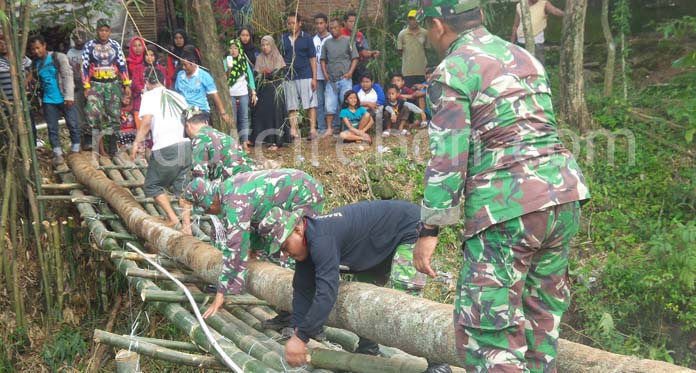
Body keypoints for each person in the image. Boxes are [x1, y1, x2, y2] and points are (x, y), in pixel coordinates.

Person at [415, 2, 590, 372]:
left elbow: (448, 157)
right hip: (562, 196)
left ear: (437, 26)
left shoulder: (453, 70)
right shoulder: (523, 57)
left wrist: (430, 228)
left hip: (506, 208)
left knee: (489, 335)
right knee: (541, 323)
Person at [259, 200, 450, 373]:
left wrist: (301, 338)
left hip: (407, 228)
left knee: (404, 302)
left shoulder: (321, 239)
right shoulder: (308, 243)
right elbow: (302, 289)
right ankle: (368, 349)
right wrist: (297, 329)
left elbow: (327, 292)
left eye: (285, 247)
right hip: (374, 244)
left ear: (298, 231)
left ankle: (437, 363)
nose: (285, 254)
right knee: (365, 298)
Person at [182, 169, 325, 317]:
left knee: (299, 249)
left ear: (211, 206)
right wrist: (253, 248)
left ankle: (308, 315)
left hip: (305, 194)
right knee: (277, 247)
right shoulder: (227, 190)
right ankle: (288, 312)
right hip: (294, 192)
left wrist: (221, 293)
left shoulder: (234, 203)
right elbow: (253, 225)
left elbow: (235, 248)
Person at [179, 107, 255, 235]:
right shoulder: (224, 136)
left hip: (234, 190)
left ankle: (186, 229)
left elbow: (199, 179)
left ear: (188, 126)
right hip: (252, 183)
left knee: (186, 195)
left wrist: (188, 200)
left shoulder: (200, 139)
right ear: (206, 122)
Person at [131, 67, 190, 227]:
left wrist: (137, 142)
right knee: (182, 188)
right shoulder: (178, 96)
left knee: (152, 185)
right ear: (164, 81)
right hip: (185, 145)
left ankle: (172, 217)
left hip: (166, 147)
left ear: (147, 84)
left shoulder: (149, 96)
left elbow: (147, 122)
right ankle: (187, 227)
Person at [81, 18, 131, 155]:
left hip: (113, 84)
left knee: (114, 115)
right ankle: (92, 142)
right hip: (95, 84)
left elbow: (122, 65)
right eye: (101, 30)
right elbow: (84, 66)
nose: (103, 33)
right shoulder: (89, 46)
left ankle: (113, 146)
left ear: (109, 31)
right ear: (97, 31)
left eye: (106, 30)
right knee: (92, 113)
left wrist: (126, 84)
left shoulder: (115, 45)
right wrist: (86, 85)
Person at [29, 35, 81, 165]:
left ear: (44, 45)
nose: (36, 51)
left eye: (38, 48)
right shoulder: (35, 63)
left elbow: (67, 76)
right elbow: (34, 81)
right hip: (48, 100)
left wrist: (69, 96)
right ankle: (58, 153)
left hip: (64, 97)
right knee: (52, 128)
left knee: (72, 124)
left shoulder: (58, 57)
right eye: (33, 49)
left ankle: (75, 148)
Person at [280, 13, 318, 140]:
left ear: (299, 23)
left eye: (293, 23)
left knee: (310, 103)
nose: (291, 25)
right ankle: (294, 131)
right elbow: (280, 57)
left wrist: (314, 78)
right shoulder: (283, 38)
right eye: (289, 23)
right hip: (289, 76)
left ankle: (312, 130)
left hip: (305, 74)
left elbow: (313, 58)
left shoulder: (307, 38)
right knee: (292, 105)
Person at [320, 18, 359, 138]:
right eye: (331, 28)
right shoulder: (327, 43)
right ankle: (330, 129)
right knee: (329, 105)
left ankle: (348, 127)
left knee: (346, 103)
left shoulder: (348, 41)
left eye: (335, 27)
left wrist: (350, 72)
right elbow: (322, 59)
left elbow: (355, 58)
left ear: (340, 27)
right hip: (331, 80)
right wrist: (325, 73)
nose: (333, 30)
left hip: (345, 79)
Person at [251, 35, 290, 150]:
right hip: (264, 90)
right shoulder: (259, 58)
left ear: (272, 45)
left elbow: (277, 73)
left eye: (267, 45)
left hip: (275, 88)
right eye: (262, 45)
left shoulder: (277, 57)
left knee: (276, 114)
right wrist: (265, 74)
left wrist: (266, 74)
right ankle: (266, 140)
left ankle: (277, 140)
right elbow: (257, 74)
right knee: (265, 114)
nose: (265, 47)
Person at [175, 50, 231, 126]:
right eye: (182, 65)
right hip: (183, 111)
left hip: (200, 111)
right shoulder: (180, 75)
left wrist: (223, 113)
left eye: (185, 65)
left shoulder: (204, 75)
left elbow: (215, 95)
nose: (183, 67)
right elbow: (177, 93)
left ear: (193, 63)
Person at [0, 35, 35, 143]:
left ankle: (31, 154)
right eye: (0, 44)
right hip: (6, 105)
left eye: (5, 43)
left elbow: (32, 69)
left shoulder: (20, 57)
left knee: (29, 130)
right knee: (10, 134)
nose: (3, 46)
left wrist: (26, 81)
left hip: (22, 103)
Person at [224, 38, 256, 151]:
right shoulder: (226, 61)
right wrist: (229, 69)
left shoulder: (243, 61)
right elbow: (224, 78)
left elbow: (250, 77)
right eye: (231, 48)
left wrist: (253, 91)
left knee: (244, 117)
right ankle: (234, 142)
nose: (233, 51)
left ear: (239, 50)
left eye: (236, 48)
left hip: (243, 92)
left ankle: (244, 142)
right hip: (230, 93)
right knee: (233, 118)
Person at [510, 0, 564, 65]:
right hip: (520, 43)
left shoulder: (544, 3)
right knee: (521, 67)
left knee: (537, 66)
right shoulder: (520, 5)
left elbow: (554, 11)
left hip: (536, 44)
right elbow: (515, 26)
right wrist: (512, 44)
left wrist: (566, 14)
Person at [341, 11, 380, 85]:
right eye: (351, 21)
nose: (353, 24)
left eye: (355, 22)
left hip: (357, 66)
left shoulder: (359, 35)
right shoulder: (340, 34)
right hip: (344, 66)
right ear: (344, 22)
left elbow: (364, 52)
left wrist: (372, 53)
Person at [398, 10, 429, 88]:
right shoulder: (402, 34)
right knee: (408, 92)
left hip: (421, 70)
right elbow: (399, 50)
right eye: (410, 19)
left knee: (422, 93)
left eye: (414, 19)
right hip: (407, 71)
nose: (412, 21)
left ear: (418, 19)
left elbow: (426, 50)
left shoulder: (425, 33)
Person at [67, 28, 88, 140]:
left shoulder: (89, 50)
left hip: (89, 84)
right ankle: (82, 139)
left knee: (90, 111)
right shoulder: (70, 53)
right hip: (77, 85)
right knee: (79, 112)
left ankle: (91, 138)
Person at [312, 13, 331, 135]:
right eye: (317, 23)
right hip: (317, 75)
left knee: (331, 102)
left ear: (326, 23)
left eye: (321, 23)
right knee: (319, 102)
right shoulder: (313, 40)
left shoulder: (331, 38)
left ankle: (334, 126)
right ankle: (321, 127)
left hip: (330, 75)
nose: (319, 26)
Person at [126, 36, 147, 116]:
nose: (137, 48)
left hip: (145, 91)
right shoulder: (127, 62)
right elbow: (125, 77)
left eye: (139, 45)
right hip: (132, 92)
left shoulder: (148, 61)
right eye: (134, 46)